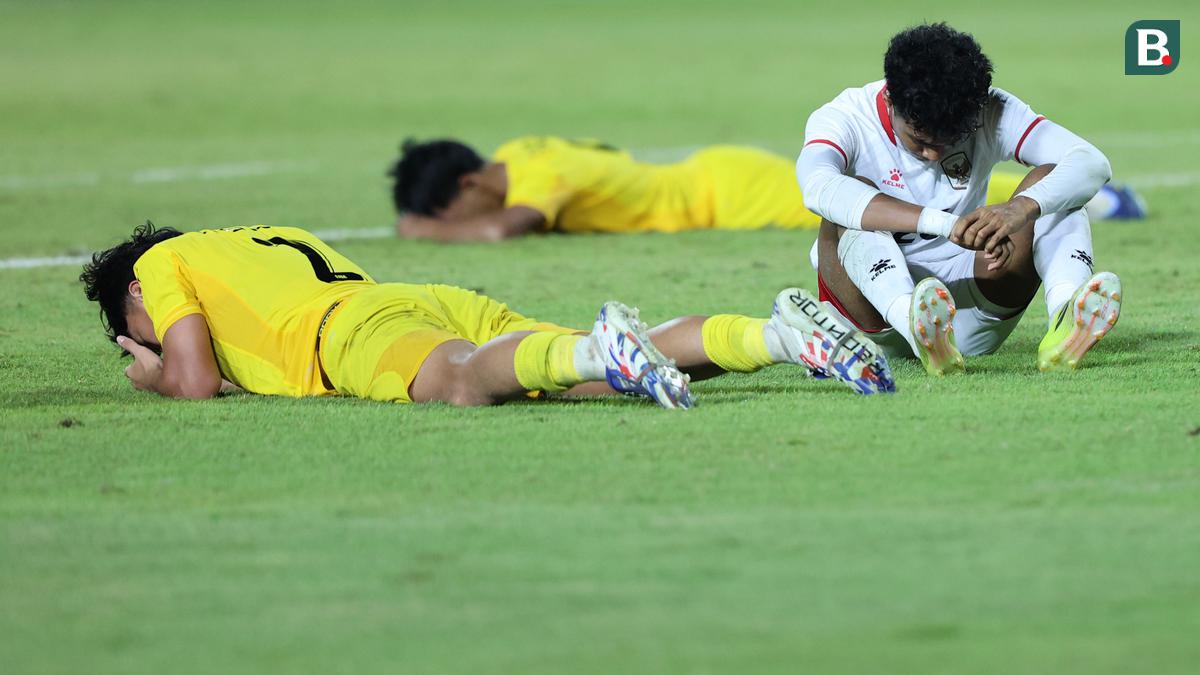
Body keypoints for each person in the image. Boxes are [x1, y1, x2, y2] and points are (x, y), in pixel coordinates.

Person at [80, 224, 896, 409]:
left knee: (462, 384)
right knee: (578, 375)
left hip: (345, 334)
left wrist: (156, 375)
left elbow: (193, 381)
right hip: (420, 298)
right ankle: (784, 338)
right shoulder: (265, 235)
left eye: (134, 320)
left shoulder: (163, 264)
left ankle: (600, 349)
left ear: (137, 296)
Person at [795, 22, 1123, 375]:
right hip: (874, 320)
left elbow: (1091, 162)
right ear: (890, 99)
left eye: (948, 141)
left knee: (1052, 184)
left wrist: (1021, 208)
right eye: (920, 140)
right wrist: (944, 224)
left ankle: (1065, 315)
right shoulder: (845, 117)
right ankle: (915, 326)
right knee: (845, 205)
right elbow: (817, 186)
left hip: (971, 311)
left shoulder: (990, 109)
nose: (933, 155)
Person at [387, 136, 1144, 242]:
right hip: (715, 175)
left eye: (445, 207)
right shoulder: (522, 147)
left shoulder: (536, 177)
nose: (448, 218)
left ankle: (1097, 197)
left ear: (467, 183)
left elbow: (501, 230)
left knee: (894, 210)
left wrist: (426, 233)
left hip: (729, 194)